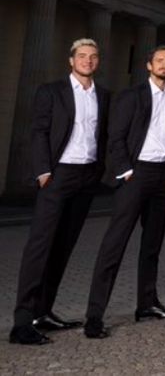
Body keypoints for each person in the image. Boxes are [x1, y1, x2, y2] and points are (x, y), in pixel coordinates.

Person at [10, 38, 110, 346]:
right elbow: (38, 131)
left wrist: (98, 173)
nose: (88, 61)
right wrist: (44, 173)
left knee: (64, 245)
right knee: (40, 247)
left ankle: (44, 312)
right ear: (71, 60)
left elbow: (102, 135)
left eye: (93, 57)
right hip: (57, 176)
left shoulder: (104, 96)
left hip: (85, 177)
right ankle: (22, 322)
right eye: (82, 56)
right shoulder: (52, 91)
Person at [83, 46, 165, 339]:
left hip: (163, 175)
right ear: (148, 65)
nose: (164, 65)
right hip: (135, 175)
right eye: (160, 61)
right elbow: (116, 138)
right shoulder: (131, 96)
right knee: (115, 244)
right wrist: (127, 172)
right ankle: (94, 315)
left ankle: (147, 304)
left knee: (152, 245)